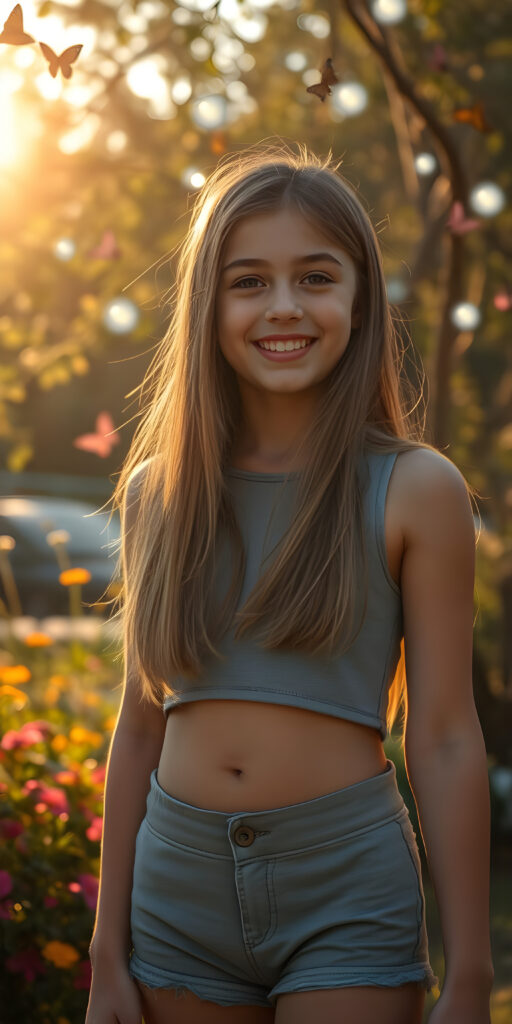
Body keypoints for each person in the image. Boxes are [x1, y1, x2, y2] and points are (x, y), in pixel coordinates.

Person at [85, 141, 494, 1024]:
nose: (283, 307)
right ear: (208, 304)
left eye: (315, 277)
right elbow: (141, 723)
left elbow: (449, 737)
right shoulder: (160, 489)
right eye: (248, 281)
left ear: (360, 297)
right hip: (175, 895)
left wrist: (469, 976)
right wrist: (105, 954)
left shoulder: (415, 488)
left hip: (344, 885)